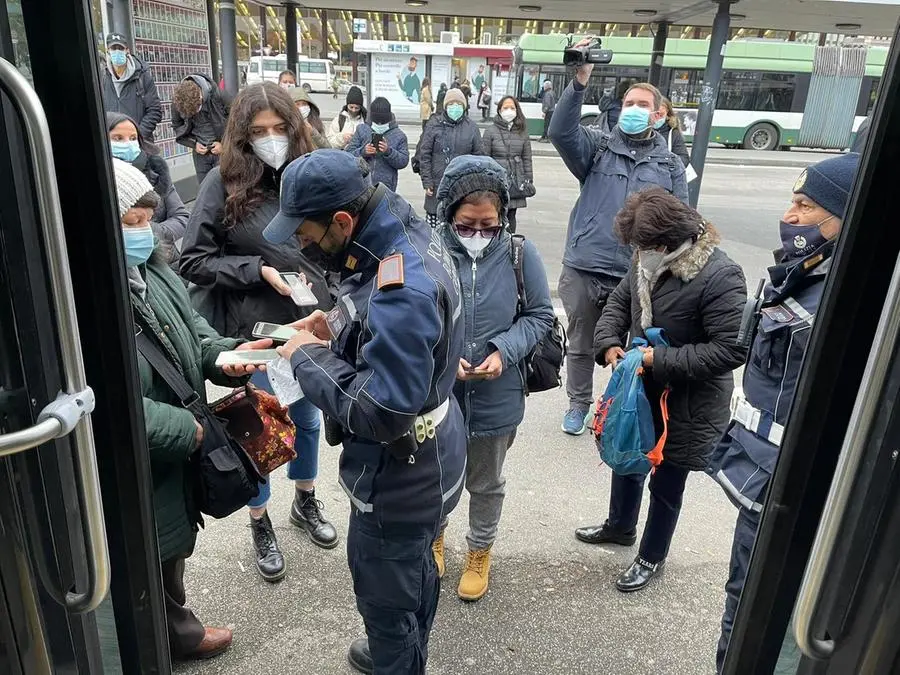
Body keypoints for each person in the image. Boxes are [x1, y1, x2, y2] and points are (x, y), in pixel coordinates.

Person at [263, 149, 466, 674]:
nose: (301, 244)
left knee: (386, 599)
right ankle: (404, 647)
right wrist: (331, 325)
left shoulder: (401, 287)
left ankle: (397, 656)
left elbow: (382, 410)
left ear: (343, 220)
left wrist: (307, 359)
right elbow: (374, 308)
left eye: (305, 233)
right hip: (432, 456)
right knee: (416, 569)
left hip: (401, 473)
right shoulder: (395, 231)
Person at [707, 153, 861, 673]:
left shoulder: (845, 297)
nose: (790, 215)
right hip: (761, 480)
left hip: (792, 493)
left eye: (807, 205)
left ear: (847, 216)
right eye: (791, 202)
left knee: (762, 614)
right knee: (742, 600)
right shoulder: (801, 276)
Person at [179, 83, 338, 583]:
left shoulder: (313, 171)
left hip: (311, 324)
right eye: (258, 131)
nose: (271, 139)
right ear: (243, 135)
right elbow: (194, 259)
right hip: (259, 331)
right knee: (262, 427)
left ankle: (305, 500)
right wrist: (256, 270)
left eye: (279, 129)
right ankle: (260, 517)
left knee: (309, 423)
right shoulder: (222, 182)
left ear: (296, 128)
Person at [112, 158, 267, 660]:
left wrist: (229, 356)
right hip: (144, 456)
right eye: (127, 223)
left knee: (171, 550)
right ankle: (163, 640)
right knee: (141, 555)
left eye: (145, 221)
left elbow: (193, 334)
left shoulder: (151, 268)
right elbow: (108, 405)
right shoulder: (85, 297)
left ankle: (173, 629)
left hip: (170, 457)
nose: (141, 232)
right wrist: (186, 429)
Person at [582, 187, 747, 592]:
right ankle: (620, 526)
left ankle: (651, 556)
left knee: (667, 482)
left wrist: (660, 359)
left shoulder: (720, 274)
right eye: (639, 246)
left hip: (689, 401)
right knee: (627, 458)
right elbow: (620, 304)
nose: (643, 253)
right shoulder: (646, 258)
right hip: (641, 388)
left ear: (674, 239)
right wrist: (608, 344)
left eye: (649, 245)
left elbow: (730, 349)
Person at [549, 46, 688, 437]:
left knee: (631, 349)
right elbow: (560, 131)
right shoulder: (597, 149)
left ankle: (616, 406)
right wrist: (579, 81)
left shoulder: (671, 165)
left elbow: (680, 224)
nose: (633, 109)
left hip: (637, 274)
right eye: (628, 102)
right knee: (579, 342)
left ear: (659, 115)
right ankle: (578, 404)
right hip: (584, 265)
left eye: (642, 104)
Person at [436, 155, 554, 601]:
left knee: (485, 481)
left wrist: (503, 351)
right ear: (449, 214)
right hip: (440, 396)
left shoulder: (521, 254)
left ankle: (479, 552)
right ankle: (435, 537)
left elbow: (540, 315)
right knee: (436, 475)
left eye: (489, 226)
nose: (478, 236)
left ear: (503, 217)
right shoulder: (428, 250)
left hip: (498, 394)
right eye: (467, 226)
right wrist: (445, 361)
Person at [107, 112, 188, 265]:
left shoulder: (156, 172)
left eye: (133, 139)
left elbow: (182, 217)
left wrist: (148, 230)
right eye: (118, 138)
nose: (127, 144)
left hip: (168, 261)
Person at [418, 88, 483, 227]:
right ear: (445, 106)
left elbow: (479, 157)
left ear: (464, 106)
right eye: (451, 104)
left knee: (458, 223)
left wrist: (475, 183)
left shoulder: (471, 127)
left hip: (463, 186)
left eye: (458, 104)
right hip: (437, 184)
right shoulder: (434, 124)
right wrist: (427, 181)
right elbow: (425, 155)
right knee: (434, 228)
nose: (455, 107)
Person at [481, 96, 533, 234]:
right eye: (505, 108)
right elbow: (484, 158)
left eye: (512, 108)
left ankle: (510, 242)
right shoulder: (490, 131)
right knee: (496, 213)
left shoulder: (522, 132)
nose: (509, 111)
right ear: (499, 110)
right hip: (496, 181)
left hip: (516, 180)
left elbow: (527, 158)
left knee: (511, 215)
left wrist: (528, 179)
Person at [171, 73, 231, 186]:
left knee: (225, 189)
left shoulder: (219, 96)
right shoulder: (178, 102)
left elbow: (236, 123)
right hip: (200, 153)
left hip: (222, 151)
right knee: (205, 190)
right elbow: (177, 127)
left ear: (201, 95)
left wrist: (225, 145)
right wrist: (194, 144)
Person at [101, 33, 162, 139]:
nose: (117, 52)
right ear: (108, 51)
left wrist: (137, 136)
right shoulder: (102, 78)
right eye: (113, 48)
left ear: (127, 50)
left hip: (139, 144)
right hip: (113, 145)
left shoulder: (142, 76)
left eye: (120, 48)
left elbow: (154, 110)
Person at [346, 97, 409, 192]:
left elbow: (403, 161)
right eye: (376, 121)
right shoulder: (362, 130)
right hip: (361, 184)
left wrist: (388, 152)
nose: (379, 124)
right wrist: (363, 152)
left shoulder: (399, 135)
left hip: (385, 187)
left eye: (382, 122)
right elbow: (348, 155)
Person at [654, 97, 690, 168]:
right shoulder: (640, 130)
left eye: (661, 115)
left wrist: (664, 165)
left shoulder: (673, 132)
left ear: (667, 112)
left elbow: (684, 158)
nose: (657, 118)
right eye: (655, 114)